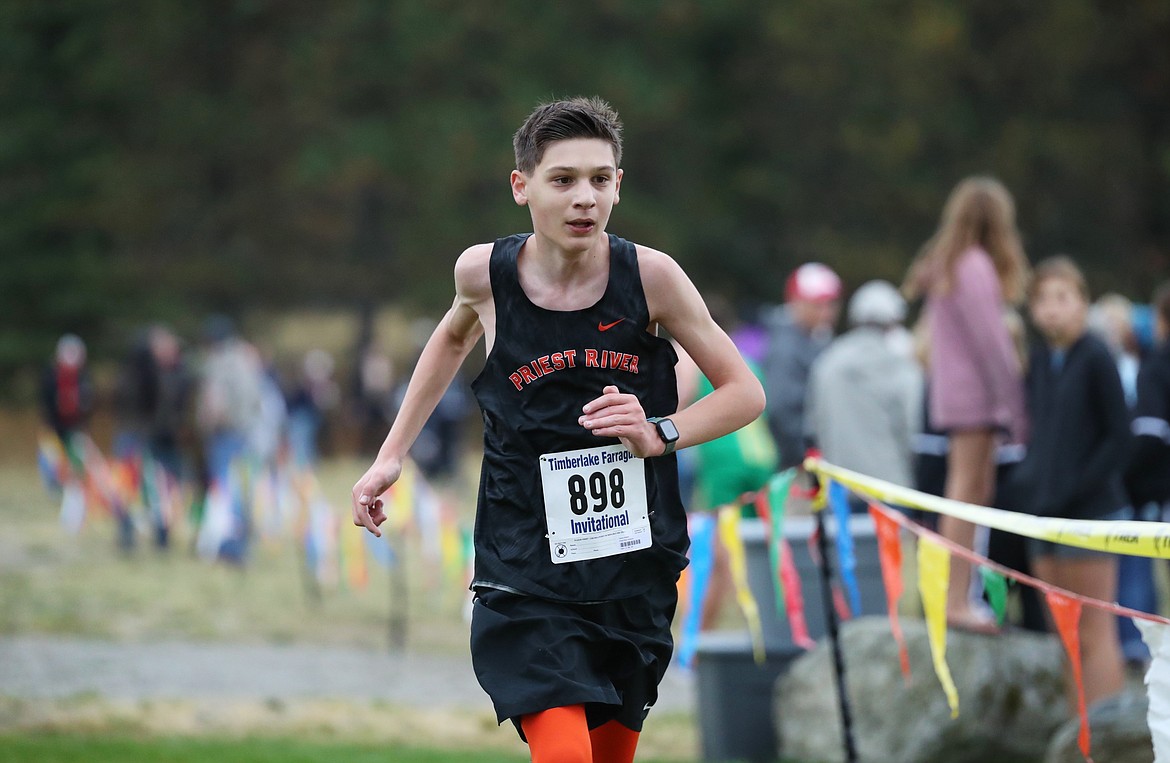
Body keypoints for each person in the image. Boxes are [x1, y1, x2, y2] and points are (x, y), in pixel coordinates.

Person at [350, 97, 765, 763]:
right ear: (523, 187)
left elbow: (747, 392)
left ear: (619, 186)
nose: (584, 198)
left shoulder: (651, 278)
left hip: (631, 561)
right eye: (563, 179)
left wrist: (660, 430)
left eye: (601, 180)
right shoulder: (484, 274)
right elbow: (451, 339)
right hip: (523, 564)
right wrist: (390, 455)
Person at [902, 176, 1029, 633]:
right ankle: (956, 600)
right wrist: (1015, 403)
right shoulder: (974, 266)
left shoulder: (950, 264)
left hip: (954, 393)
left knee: (970, 495)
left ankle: (959, 595)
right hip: (976, 397)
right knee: (965, 496)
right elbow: (993, 342)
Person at [1010, 256, 1129, 707]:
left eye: (1062, 297)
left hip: (1091, 513)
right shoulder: (1040, 360)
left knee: (1094, 631)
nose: (1052, 309)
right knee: (1065, 632)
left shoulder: (1097, 356)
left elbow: (1120, 437)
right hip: (1045, 516)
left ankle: (1107, 733)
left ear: (1083, 302)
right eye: (1042, 299)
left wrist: (1077, 488)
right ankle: (1078, 736)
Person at [805, 280, 922, 510]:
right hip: (891, 488)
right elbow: (912, 428)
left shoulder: (828, 362)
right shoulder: (901, 366)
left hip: (840, 486)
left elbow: (813, 425)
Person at [762, 262, 842, 469]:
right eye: (818, 305)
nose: (826, 313)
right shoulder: (786, 347)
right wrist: (806, 456)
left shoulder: (814, 340)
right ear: (796, 303)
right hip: (794, 462)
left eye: (831, 304)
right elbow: (781, 409)